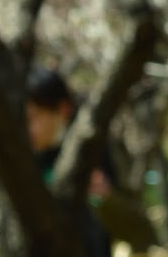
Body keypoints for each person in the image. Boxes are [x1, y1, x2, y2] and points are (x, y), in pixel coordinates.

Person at [24, 67, 153, 257]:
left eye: (34, 117)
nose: (27, 128)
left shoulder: (93, 154)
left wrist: (106, 199)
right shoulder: (23, 160)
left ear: (63, 109)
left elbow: (140, 232)